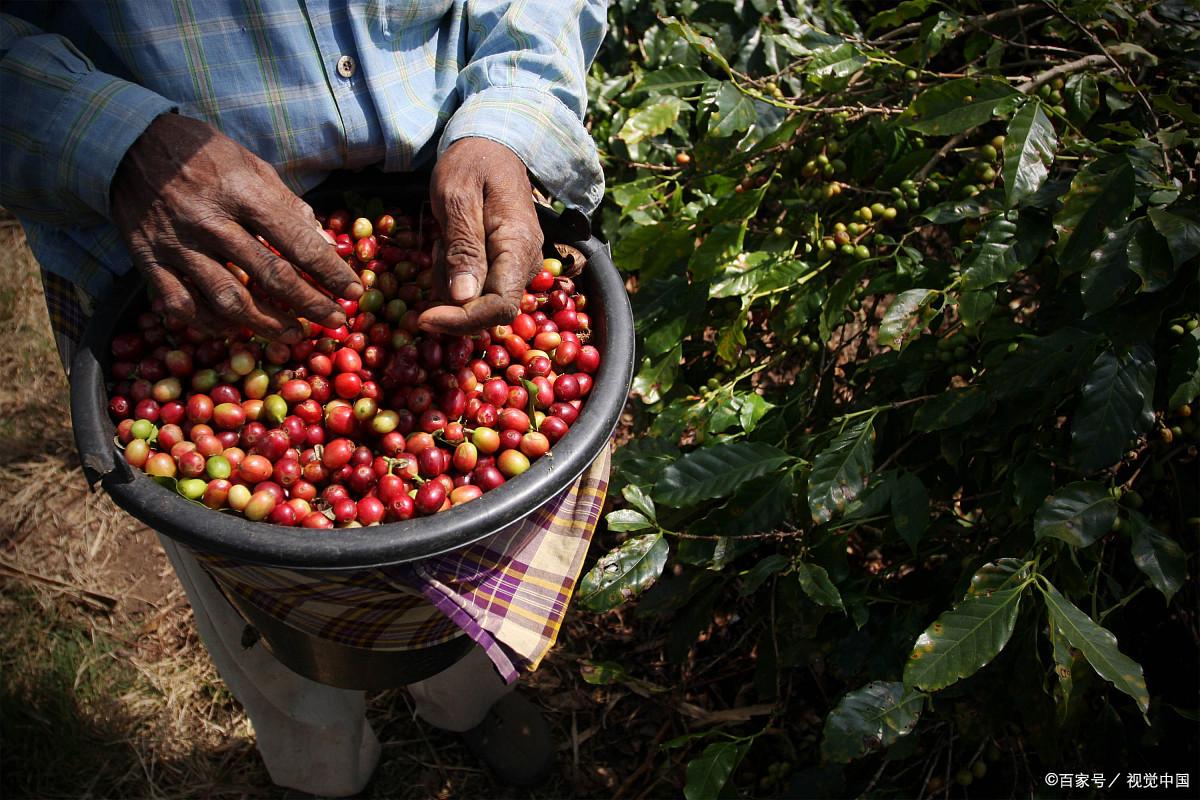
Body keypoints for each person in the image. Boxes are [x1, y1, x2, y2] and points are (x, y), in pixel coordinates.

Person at [1, 1, 608, 794]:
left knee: (472, 571)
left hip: (440, 220)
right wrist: (109, 139)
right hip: (176, 267)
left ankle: (467, 697)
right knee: (255, 594)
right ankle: (319, 769)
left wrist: (513, 108)